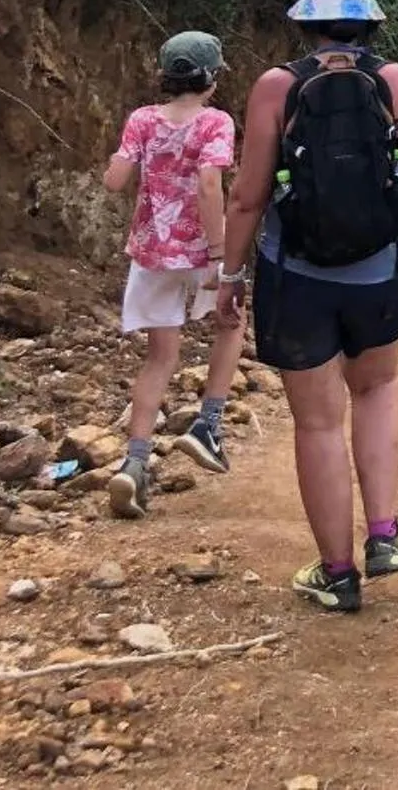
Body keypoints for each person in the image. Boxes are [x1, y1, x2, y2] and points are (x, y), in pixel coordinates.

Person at [216, 0, 398, 614]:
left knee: (317, 423)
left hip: (297, 275)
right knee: (376, 387)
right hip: (382, 274)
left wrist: (232, 274)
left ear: (309, 20)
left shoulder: (274, 88)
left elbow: (248, 196)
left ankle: (337, 574)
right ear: (369, 16)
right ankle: (385, 536)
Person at [102, 31, 249, 519]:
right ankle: (208, 425)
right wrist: (217, 251)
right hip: (200, 249)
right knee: (231, 323)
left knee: (160, 357)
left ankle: (134, 462)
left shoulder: (142, 119)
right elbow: (211, 185)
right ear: (210, 79)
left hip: (151, 251)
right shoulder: (216, 123)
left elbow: (114, 180)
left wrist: (127, 159)